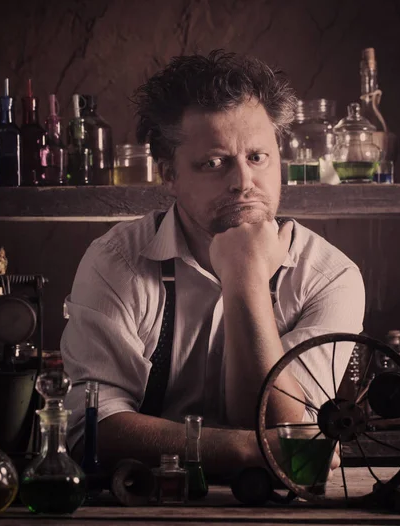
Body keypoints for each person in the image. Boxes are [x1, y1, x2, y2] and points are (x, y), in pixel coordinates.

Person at [61, 50, 365, 474]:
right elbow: (91, 429)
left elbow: (288, 431)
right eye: (214, 163)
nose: (243, 181)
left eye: (258, 157)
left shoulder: (329, 277)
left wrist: (245, 280)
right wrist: (240, 449)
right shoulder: (117, 263)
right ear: (169, 173)